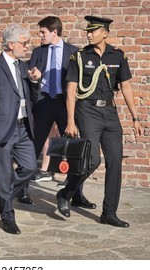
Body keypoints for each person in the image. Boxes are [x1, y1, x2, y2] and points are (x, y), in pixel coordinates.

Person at [56, 16, 143, 228]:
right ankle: (66, 192)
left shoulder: (118, 56)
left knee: (115, 163)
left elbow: (126, 87)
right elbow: (71, 91)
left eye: (93, 31)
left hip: (110, 113)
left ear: (105, 33)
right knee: (92, 161)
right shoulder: (79, 56)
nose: (88, 34)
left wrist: (135, 117)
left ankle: (109, 213)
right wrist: (70, 121)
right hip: (88, 111)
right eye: (88, 31)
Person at [17, 16, 96, 209]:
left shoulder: (73, 52)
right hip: (43, 102)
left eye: (43, 32)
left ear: (55, 32)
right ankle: (22, 190)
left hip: (65, 103)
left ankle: (75, 193)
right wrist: (35, 79)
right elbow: (28, 80)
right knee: (33, 145)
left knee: (75, 148)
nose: (40, 36)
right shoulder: (38, 52)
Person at [0, 24, 41, 234]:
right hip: (2, 131)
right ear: (10, 44)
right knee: (4, 176)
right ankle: (7, 217)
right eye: (24, 43)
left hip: (24, 127)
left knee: (30, 167)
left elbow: (34, 99)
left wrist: (35, 82)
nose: (27, 47)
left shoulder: (24, 67)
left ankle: (0, 196)